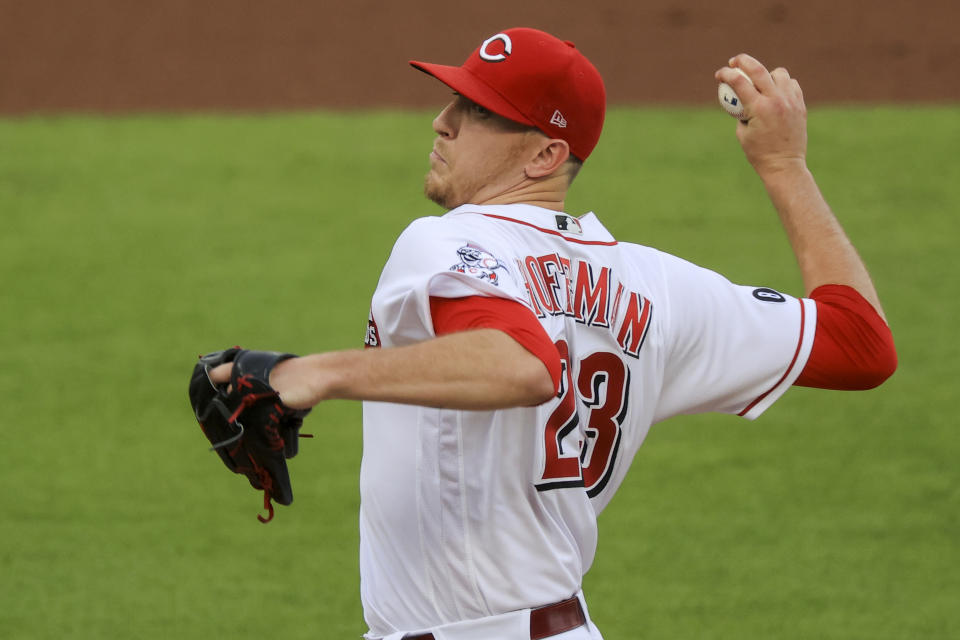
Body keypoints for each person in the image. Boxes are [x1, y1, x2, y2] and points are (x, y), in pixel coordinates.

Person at [208, 27, 896, 640]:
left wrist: (311, 374)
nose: (443, 122)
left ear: (545, 155)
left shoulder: (447, 243)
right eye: (454, 100)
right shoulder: (656, 288)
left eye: (477, 113)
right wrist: (785, 167)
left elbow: (523, 362)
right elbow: (862, 342)